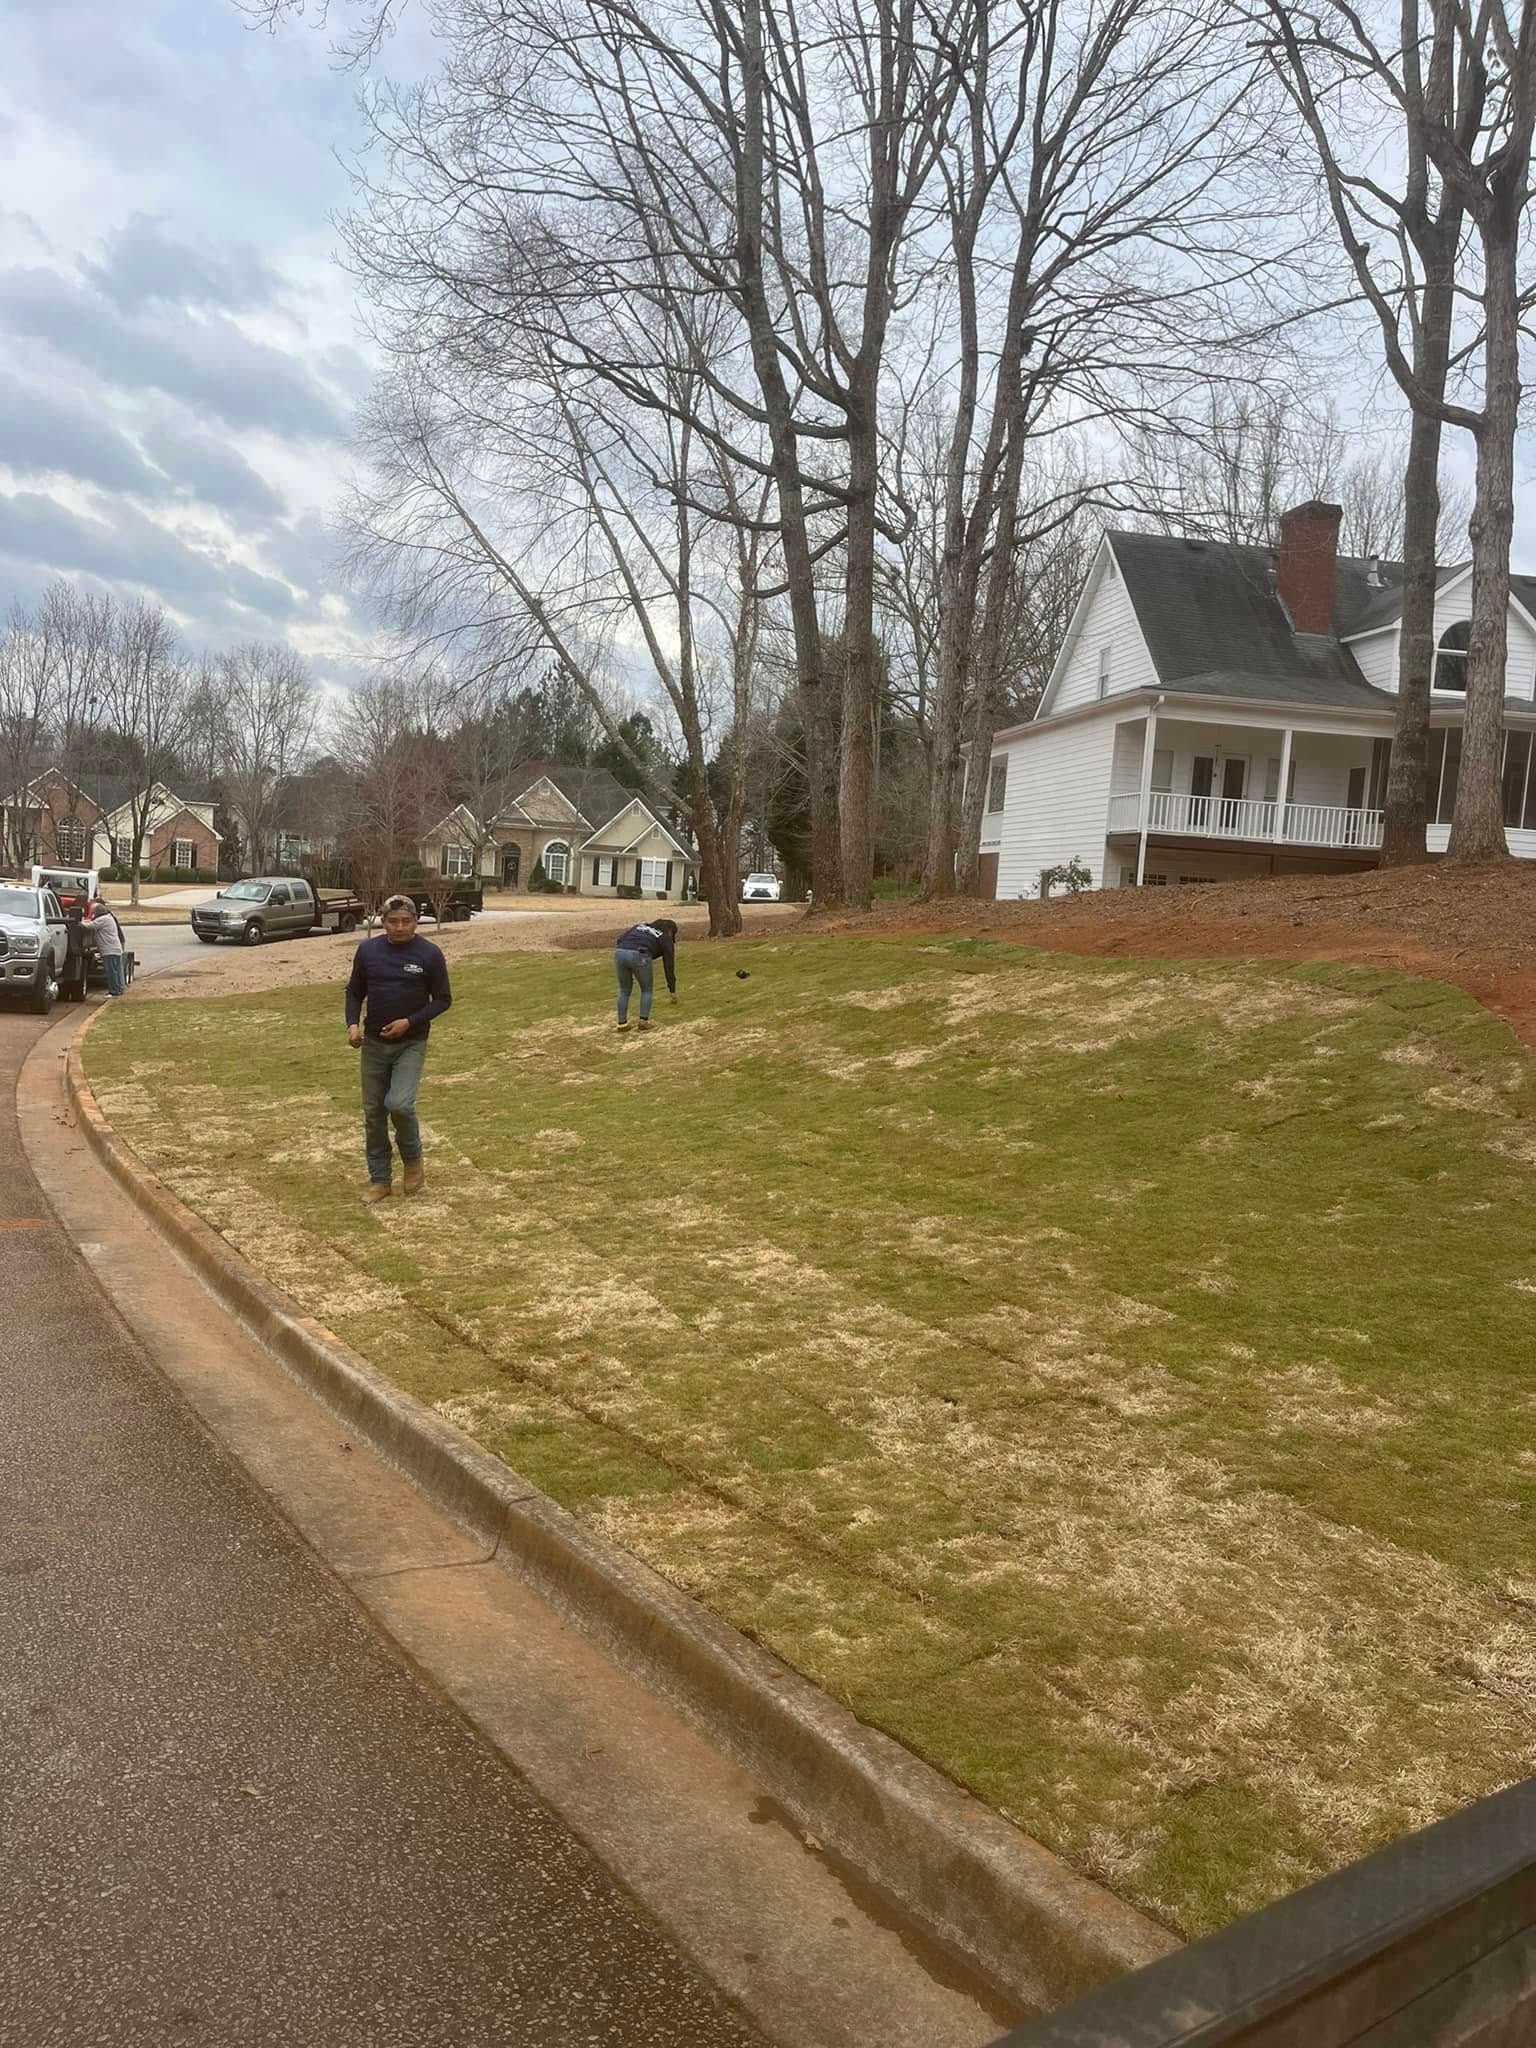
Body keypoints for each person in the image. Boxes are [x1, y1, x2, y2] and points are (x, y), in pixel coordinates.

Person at [344, 894, 452, 1202]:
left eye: (406, 921)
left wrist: (410, 1021)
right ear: (382, 921)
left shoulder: (429, 955)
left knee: (400, 1104)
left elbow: (443, 1000)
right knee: (373, 1112)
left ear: (416, 922)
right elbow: (354, 991)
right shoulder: (368, 952)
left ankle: (414, 1161)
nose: (400, 927)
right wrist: (352, 1025)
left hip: (411, 1043)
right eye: (393, 922)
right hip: (374, 1044)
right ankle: (380, 1179)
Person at [613, 917, 678, 1031]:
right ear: (670, 931)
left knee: (624, 990)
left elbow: (620, 939)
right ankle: (643, 1022)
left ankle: (621, 1024)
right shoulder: (664, 937)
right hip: (641, 954)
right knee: (646, 990)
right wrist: (672, 989)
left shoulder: (639, 926)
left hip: (620, 952)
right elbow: (669, 965)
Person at [85, 896, 126, 998]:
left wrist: (78, 922)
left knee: (111, 971)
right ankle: (119, 989)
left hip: (109, 950)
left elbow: (89, 926)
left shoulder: (103, 920)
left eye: (94, 912)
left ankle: (114, 991)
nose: (93, 914)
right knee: (116, 971)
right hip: (114, 949)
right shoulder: (108, 918)